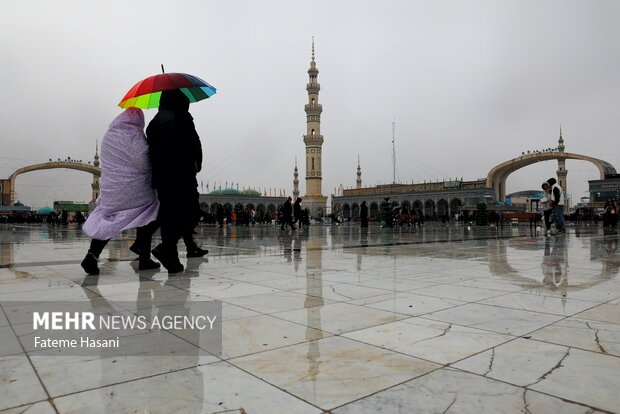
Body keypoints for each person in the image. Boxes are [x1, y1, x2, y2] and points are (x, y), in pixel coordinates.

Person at [81, 108, 160, 275]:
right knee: (147, 215)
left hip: (111, 188)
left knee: (108, 220)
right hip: (133, 189)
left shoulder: (109, 135)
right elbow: (143, 163)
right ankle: (144, 257)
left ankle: (92, 256)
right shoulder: (134, 135)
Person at [147, 90, 203, 273]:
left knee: (169, 217)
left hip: (162, 177)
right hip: (182, 173)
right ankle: (166, 249)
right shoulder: (182, 117)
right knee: (192, 213)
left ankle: (172, 259)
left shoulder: (153, 124)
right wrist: (197, 163)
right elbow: (195, 144)